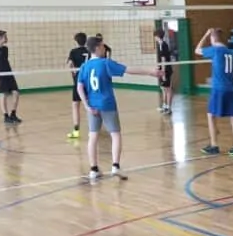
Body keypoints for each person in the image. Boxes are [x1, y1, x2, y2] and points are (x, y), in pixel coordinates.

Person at [75, 36, 161, 181]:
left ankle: (93, 169)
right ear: (97, 48)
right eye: (103, 46)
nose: (105, 48)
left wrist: (86, 106)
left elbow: (79, 87)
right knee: (115, 134)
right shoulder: (105, 63)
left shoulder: (84, 66)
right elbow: (128, 70)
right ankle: (115, 166)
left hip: (92, 106)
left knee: (93, 136)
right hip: (107, 104)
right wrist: (150, 72)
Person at [196, 28, 233, 156]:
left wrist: (205, 34)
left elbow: (197, 50)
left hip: (218, 88)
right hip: (231, 88)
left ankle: (214, 145)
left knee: (210, 115)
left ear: (212, 38)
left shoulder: (215, 50)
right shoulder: (232, 53)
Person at [0, 30, 21, 125]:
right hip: (1, 75)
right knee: (3, 94)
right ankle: (6, 116)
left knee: (16, 92)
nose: (6, 38)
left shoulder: (6, 49)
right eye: (5, 37)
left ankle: (13, 114)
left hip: (9, 73)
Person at [66, 32, 89, 139]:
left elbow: (70, 65)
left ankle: (76, 131)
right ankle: (94, 129)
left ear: (76, 41)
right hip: (89, 81)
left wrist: (73, 74)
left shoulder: (73, 52)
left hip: (78, 81)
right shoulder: (90, 51)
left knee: (76, 105)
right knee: (90, 104)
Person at [154, 27, 174, 115]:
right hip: (162, 70)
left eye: (155, 36)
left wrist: (163, 73)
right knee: (163, 89)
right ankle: (164, 106)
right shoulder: (160, 44)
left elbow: (163, 60)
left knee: (168, 89)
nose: (154, 38)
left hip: (166, 70)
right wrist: (158, 68)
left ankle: (169, 108)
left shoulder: (163, 45)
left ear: (157, 36)